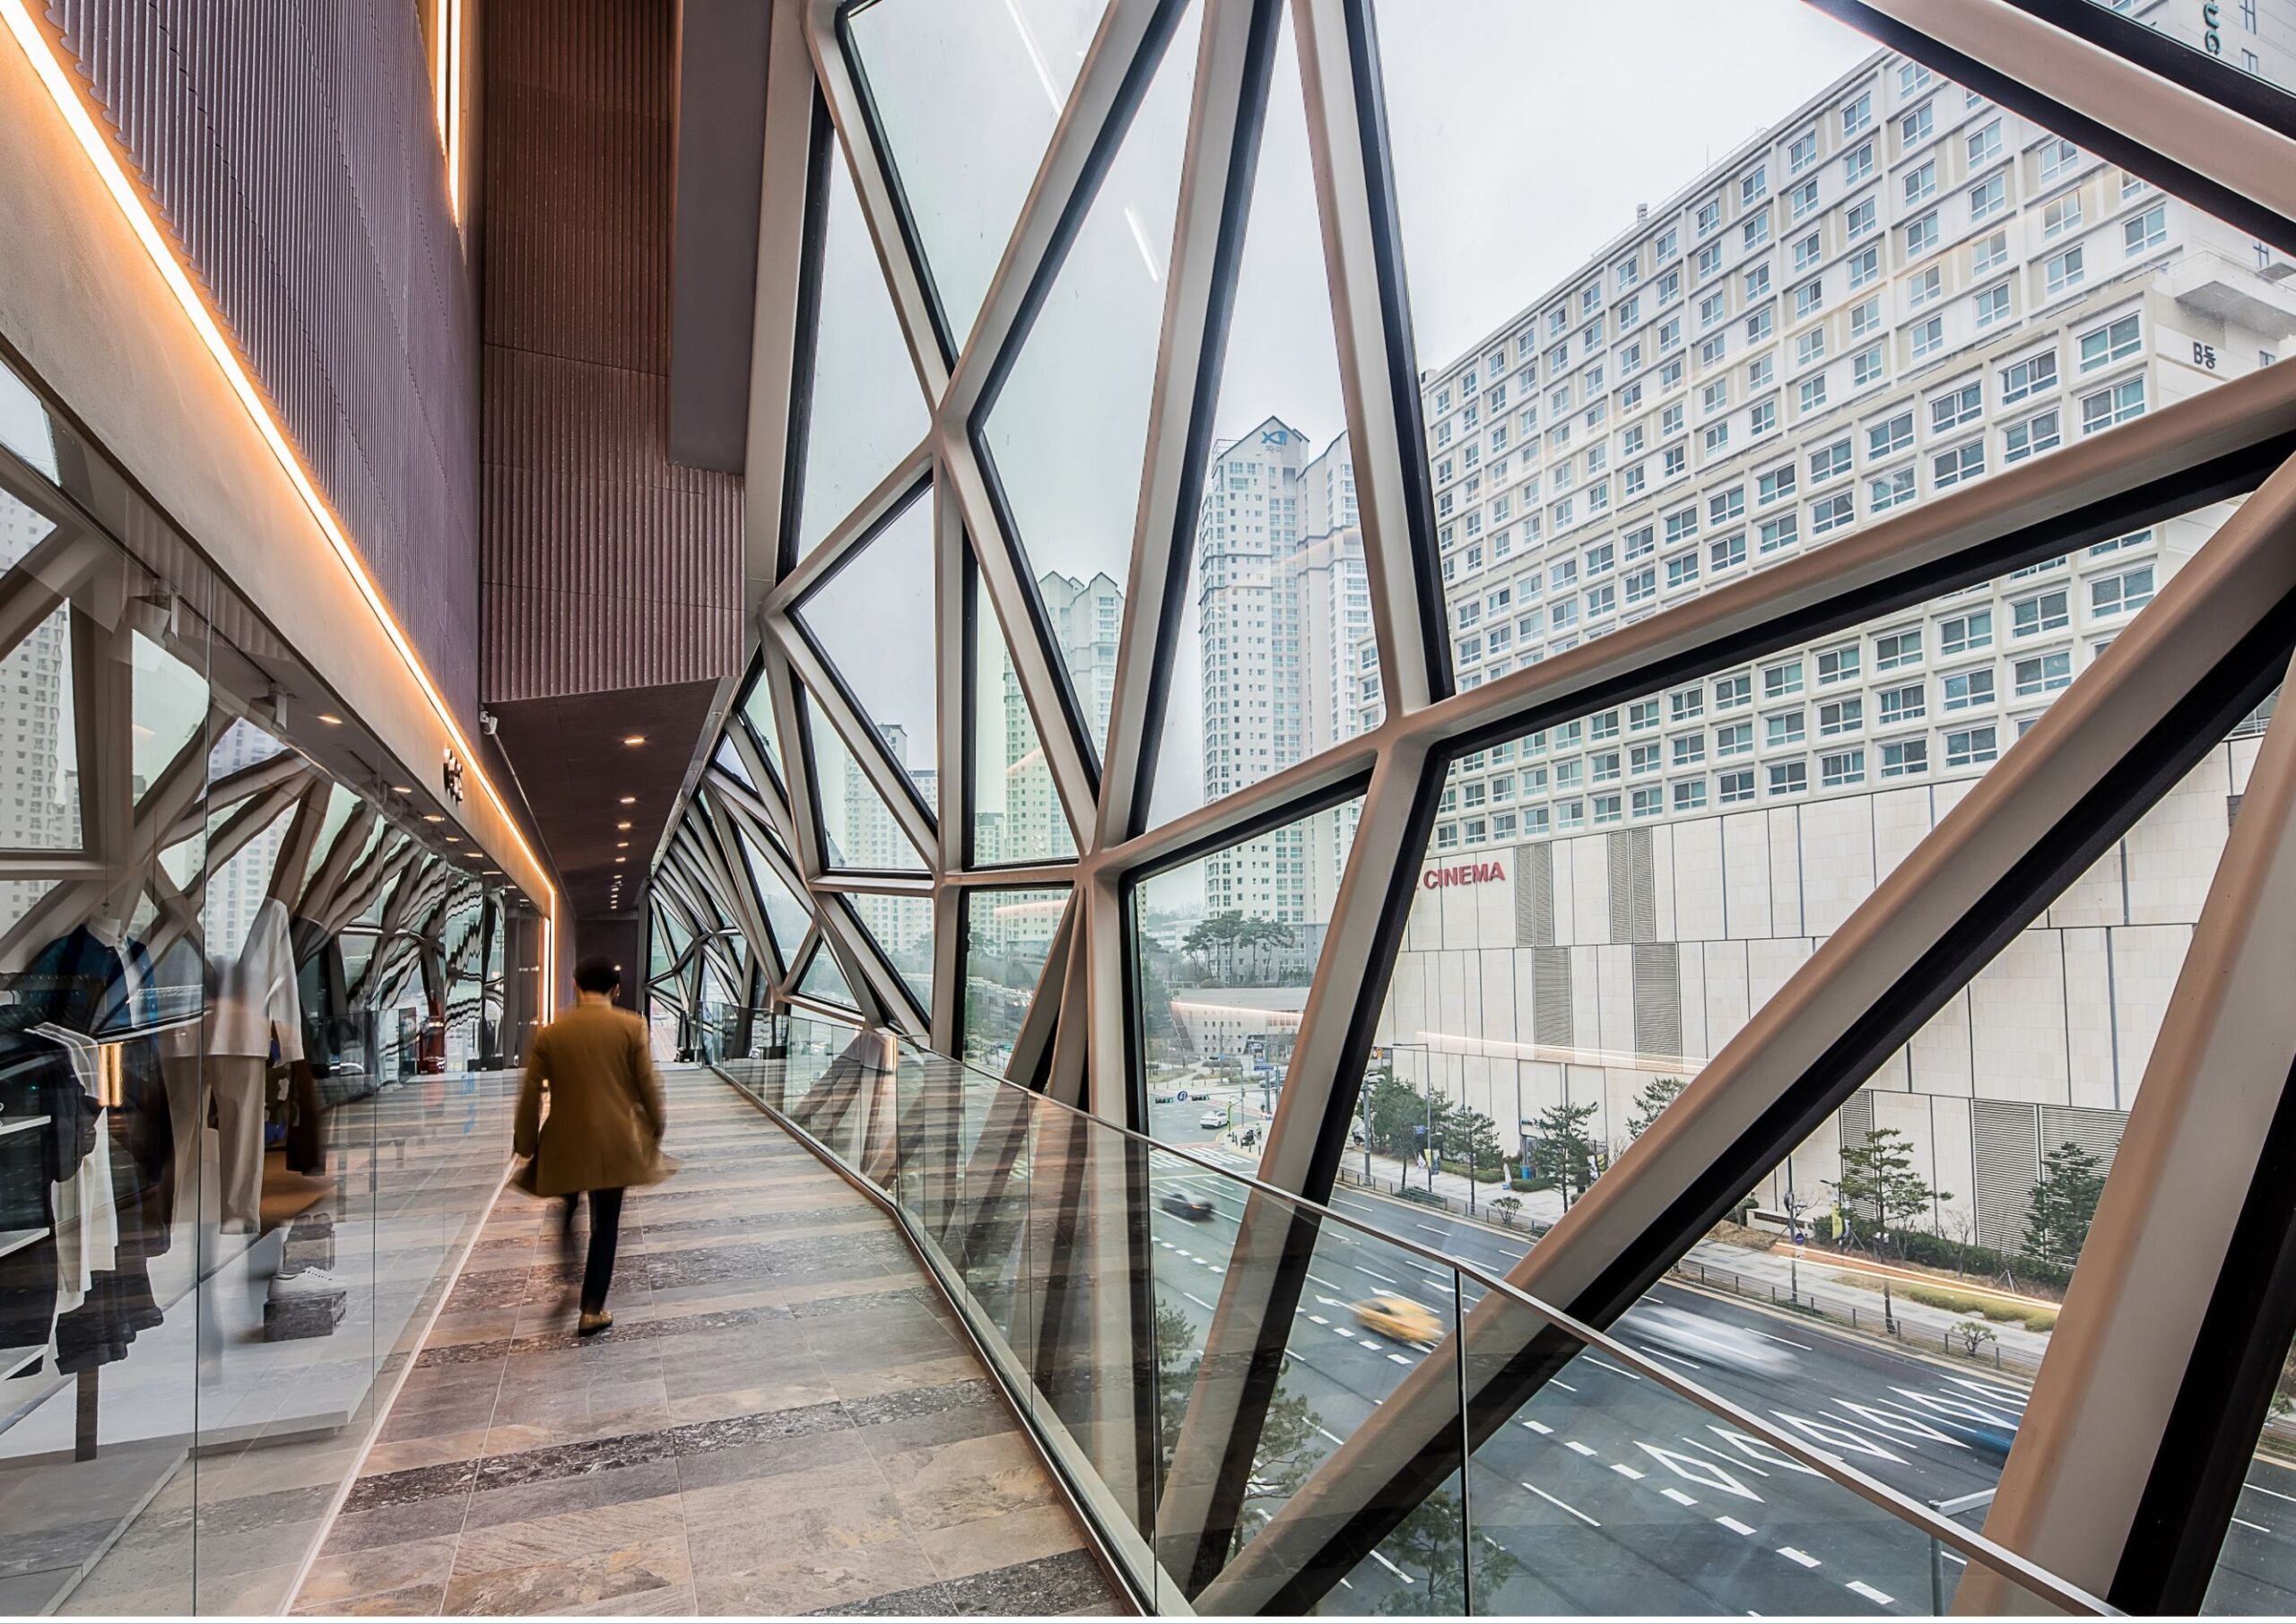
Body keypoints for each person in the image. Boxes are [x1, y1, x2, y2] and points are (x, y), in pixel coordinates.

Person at [513, 955, 668, 1334]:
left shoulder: (551, 1034)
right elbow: (647, 1083)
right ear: (615, 990)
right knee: (606, 1224)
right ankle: (592, 1308)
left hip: (564, 1141)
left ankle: (568, 1271)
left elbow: (531, 1092)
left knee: (567, 1205)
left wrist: (526, 1142)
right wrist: (655, 1126)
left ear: (574, 985)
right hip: (614, 1142)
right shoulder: (632, 1026)